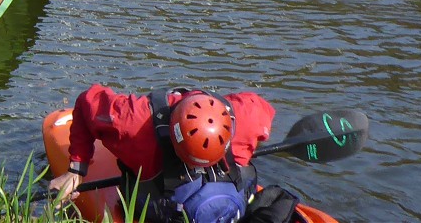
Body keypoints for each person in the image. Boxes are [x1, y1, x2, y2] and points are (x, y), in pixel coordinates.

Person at [48, 84, 277, 223]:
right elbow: (268, 109)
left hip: (160, 211)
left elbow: (87, 101)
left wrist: (76, 170)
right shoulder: (249, 113)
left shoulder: (133, 121)